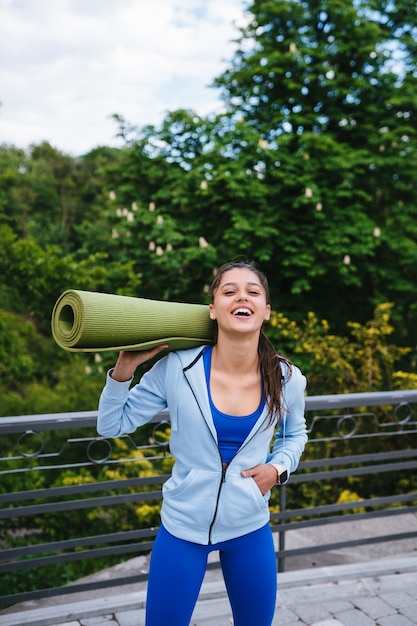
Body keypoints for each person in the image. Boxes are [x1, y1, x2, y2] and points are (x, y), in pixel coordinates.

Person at [97, 261, 307, 626]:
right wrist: (123, 372)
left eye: (253, 292)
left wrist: (278, 468)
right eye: (229, 291)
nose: (241, 297)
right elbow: (112, 424)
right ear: (213, 309)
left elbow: (295, 434)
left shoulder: (286, 377)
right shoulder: (177, 367)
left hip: (249, 527)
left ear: (266, 311)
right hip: (182, 529)